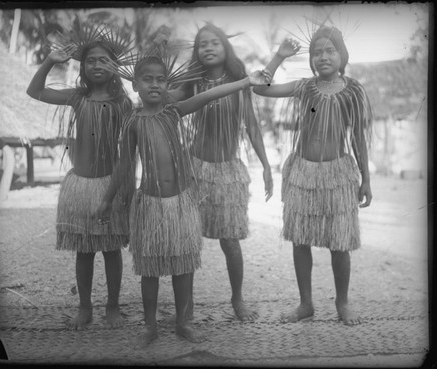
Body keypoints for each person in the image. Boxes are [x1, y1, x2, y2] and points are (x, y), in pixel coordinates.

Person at [95, 54, 267, 347]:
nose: (154, 85)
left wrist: (246, 81)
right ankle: (150, 325)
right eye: (147, 79)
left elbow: (211, 93)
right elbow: (124, 165)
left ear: (167, 85)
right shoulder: (134, 122)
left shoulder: (173, 112)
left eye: (161, 80)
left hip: (180, 203)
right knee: (149, 268)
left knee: (183, 266)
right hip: (149, 203)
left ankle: (183, 322)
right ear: (135, 84)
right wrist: (107, 200)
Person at [253, 26, 373, 325]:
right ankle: (305, 303)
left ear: (342, 55)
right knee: (300, 239)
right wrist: (279, 56)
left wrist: (366, 179)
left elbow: (358, 136)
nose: (323, 57)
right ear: (311, 59)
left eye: (330, 51)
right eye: (317, 52)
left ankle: (342, 302)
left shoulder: (352, 90)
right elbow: (260, 88)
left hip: (337, 174)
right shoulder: (304, 87)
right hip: (303, 173)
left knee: (339, 241)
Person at [26, 31, 134, 330]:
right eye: (90, 61)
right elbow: (35, 91)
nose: (96, 64)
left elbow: (128, 153)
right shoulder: (77, 98)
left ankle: (112, 306)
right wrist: (51, 60)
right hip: (80, 186)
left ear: (114, 66)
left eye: (104, 60)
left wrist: (120, 192)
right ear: (83, 67)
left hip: (108, 185)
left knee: (112, 249)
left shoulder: (123, 103)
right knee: (83, 250)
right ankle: (84, 307)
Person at [170, 23, 273, 322]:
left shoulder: (242, 81)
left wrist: (266, 165)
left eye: (215, 42)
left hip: (229, 172)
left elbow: (252, 125)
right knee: (189, 240)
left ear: (226, 48)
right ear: (196, 51)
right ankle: (185, 309)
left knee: (231, 241)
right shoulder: (193, 81)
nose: (209, 47)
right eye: (203, 44)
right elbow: (170, 99)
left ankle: (237, 299)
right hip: (195, 169)